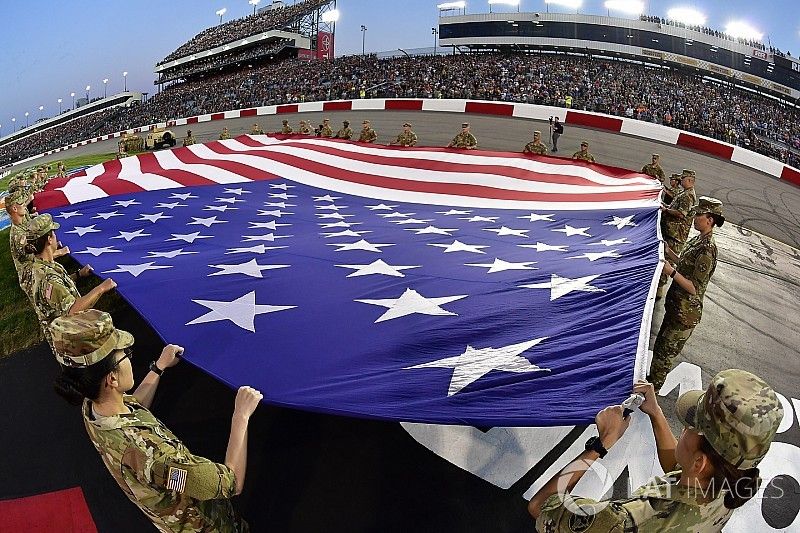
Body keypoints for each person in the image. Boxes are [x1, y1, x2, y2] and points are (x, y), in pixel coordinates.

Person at [51, 309, 262, 533]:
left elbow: (133, 407)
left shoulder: (93, 406)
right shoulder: (155, 457)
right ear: (111, 378)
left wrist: (158, 368)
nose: (130, 358)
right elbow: (232, 482)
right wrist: (241, 415)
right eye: (125, 355)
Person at [530, 369, 782, 532]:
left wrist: (602, 443)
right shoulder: (733, 483)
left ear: (700, 462)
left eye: (689, 426)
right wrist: (655, 412)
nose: (683, 430)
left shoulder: (625, 522)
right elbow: (678, 467)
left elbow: (541, 505)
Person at [649, 197, 724, 390]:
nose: (695, 217)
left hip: (685, 314)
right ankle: (651, 383)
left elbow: (693, 287)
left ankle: (652, 392)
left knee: (664, 355)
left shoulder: (707, 250)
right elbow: (684, 264)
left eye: (699, 214)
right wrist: (669, 253)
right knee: (659, 349)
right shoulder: (698, 239)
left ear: (710, 220)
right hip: (676, 308)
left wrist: (670, 271)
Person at [22, 214, 116, 349]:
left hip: (63, 337)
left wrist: (79, 274)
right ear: (49, 239)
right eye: (53, 234)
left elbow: (59, 291)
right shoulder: (48, 278)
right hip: (71, 342)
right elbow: (72, 310)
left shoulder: (41, 266)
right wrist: (101, 288)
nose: (56, 237)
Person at [657, 169, 698, 299]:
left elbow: (681, 213)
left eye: (683, 179)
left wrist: (667, 210)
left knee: (666, 261)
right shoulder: (684, 193)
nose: (681, 181)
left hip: (676, 235)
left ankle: (658, 289)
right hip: (671, 232)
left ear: (690, 180)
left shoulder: (688, 196)